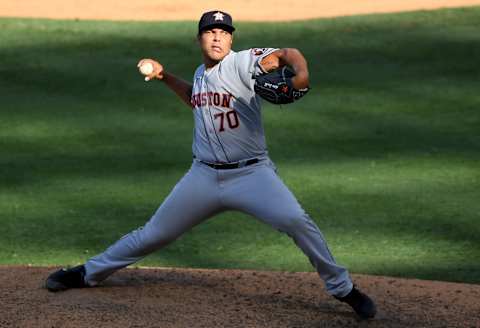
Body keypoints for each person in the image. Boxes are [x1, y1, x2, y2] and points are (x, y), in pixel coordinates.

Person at [45, 10, 376, 319]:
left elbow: (288, 53)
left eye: (223, 32)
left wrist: (300, 75)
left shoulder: (245, 63)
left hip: (252, 175)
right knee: (153, 234)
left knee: (295, 220)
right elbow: (195, 98)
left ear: (231, 39)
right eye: (210, 32)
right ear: (199, 39)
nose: (217, 38)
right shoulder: (201, 74)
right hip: (202, 177)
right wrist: (162, 76)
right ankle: (88, 273)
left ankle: (343, 288)